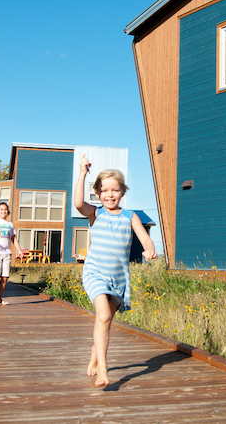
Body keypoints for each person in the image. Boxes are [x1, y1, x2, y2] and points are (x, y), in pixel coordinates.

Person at [74, 155, 157, 387]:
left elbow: (145, 240)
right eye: (104, 191)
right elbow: (79, 204)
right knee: (103, 316)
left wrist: (149, 251)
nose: (110, 195)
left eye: (115, 190)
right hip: (95, 273)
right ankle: (103, 367)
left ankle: (94, 352)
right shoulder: (95, 213)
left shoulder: (131, 217)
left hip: (118, 278)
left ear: (123, 192)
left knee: (105, 321)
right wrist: (82, 173)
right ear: (98, 193)